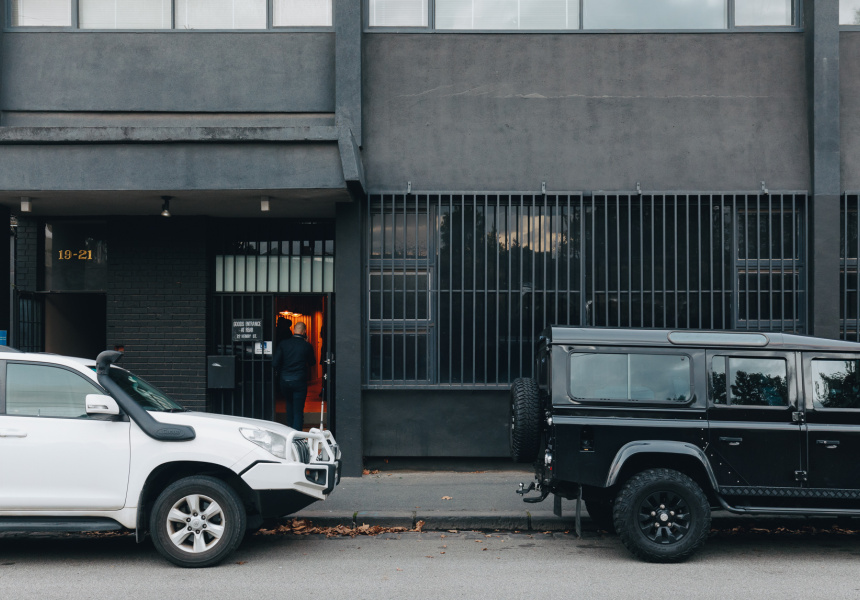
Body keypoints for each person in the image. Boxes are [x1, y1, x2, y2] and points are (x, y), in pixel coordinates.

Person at [272, 322, 315, 431]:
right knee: (298, 411)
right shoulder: (306, 346)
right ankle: (297, 437)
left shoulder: (283, 344)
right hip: (299, 381)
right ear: (304, 331)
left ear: (294, 330)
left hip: (285, 380)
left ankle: (289, 432)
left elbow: (275, 363)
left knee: (289, 405)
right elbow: (312, 362)